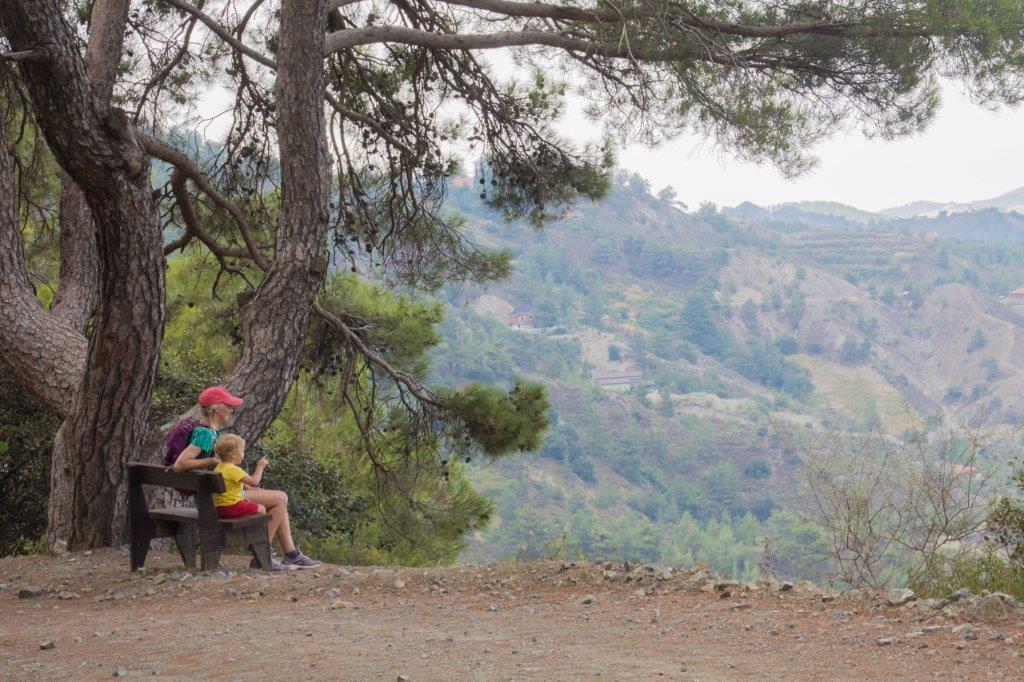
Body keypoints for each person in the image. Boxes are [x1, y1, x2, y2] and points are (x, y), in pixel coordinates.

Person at [173, 386, 321, 570]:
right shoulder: (204, 434)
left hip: (217, 494)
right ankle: (263, 556)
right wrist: (211, 459)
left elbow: (222, 471)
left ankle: (290, 554)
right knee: (280, 498)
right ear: (216, 409)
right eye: (228, 406)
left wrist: (247, 487)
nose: (231, 410)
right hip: (219, 499)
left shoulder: (210, 432)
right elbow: (179, 464)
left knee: (279, 501)